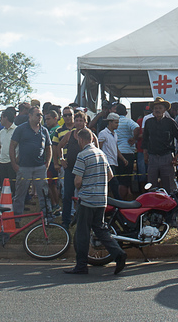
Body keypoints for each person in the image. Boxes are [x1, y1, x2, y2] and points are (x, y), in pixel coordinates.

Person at [64, 127, 127, 276]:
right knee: (100, 229)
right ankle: (118, 253)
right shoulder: (101, 154)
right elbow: (110, 176)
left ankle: (81, 265)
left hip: (87, 199)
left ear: (81, 139)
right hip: (101, 199)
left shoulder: (83, 155)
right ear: (92, 139)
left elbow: (78, 182)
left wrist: (87, 183)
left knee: (82, 233)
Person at [10, 105, 52, 215]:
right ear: (30, 115)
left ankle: (47, 218)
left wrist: (46, 164)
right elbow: (12, 146)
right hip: (24, 167)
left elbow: (49, 148)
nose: (40, 117)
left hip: (39, 167)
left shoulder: (44, 131)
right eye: (38, 115)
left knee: (44, 193)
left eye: (41, 115)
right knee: (20, 194)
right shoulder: (21, 129)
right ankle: (16, 218)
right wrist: (14, 163)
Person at [142, 97, 178, 193]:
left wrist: (177, 156)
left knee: (170, 186)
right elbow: (145, 139)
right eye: (156, 108)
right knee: (151, 186)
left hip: (167, 157)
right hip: (152, 157)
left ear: (165, 109)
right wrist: (145, 153)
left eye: (160, 108)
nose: (157, 110)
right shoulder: (148, 122)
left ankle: (171, 206)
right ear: (153, 110)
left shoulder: (170, 122)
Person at [59, 109, 89, 227]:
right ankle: (65, 221)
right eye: (76, 120)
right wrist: (61, 159)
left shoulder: (89, 134)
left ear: (85, 122)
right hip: (70, 168)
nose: (78, 123)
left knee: (84, 196)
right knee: (67, 195)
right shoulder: (70, 134)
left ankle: (83, 219)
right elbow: (59, 146)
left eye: (81, 121)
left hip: (85, 171)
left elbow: (96, 148)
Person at [113, 103, 140, 197]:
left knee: (119, 178)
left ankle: (118, 199)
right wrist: (134, 138)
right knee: (125, 179)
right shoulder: (128, 121)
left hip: (116, 153)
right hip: (127, 152)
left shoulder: (114, 122)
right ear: (126, 112)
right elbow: (137, 128)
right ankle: (122, 201)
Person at [98, 113, 124, 196]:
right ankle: (118, 201)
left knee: (112, 184)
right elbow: (99, 148)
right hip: (107, 162)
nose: (117, 125)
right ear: (110, 122)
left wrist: (123, 159)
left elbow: (116, 148)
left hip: (114, 161)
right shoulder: (103, 133)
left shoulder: (115, 134)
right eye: (116, 123)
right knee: (114, 183)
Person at [0, 108, 17, 192]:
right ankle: (4, 204)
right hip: (1, 162)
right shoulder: (1, 132)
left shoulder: (17, 130)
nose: (0, 120)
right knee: (3, 185)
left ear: (6, 118)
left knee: (13, 186)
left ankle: (14, 203)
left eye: (1, 117)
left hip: (12, 162)